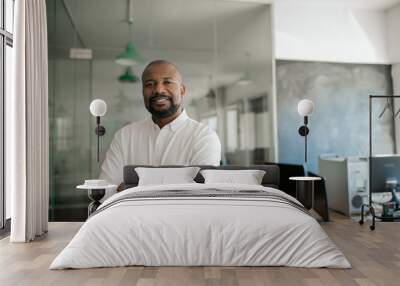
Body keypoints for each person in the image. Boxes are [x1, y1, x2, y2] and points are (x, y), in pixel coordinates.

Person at [99, 60, 221, 198]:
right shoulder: (125, 136)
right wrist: (175, 188)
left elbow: (200, 195)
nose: (158, 90)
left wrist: (128, 189)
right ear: (143, 92)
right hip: (128, 220)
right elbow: (105, 192)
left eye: (167, 82)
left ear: (182, 90)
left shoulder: (204, 137)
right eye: (150, 84)